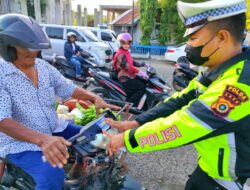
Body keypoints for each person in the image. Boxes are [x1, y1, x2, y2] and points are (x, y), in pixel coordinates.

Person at [104, 0, 250, 190]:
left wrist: (127, 139)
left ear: (222, 37)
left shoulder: (239, 85)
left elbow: (184, 125)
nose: (188, 45)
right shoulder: (218, 70)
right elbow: (180, 100)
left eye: (193, 38)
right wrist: (137, 122)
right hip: (207, 170)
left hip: (227, 183)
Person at [0, 13, 119, 190]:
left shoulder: (43, 67)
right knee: (52, 172)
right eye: (26, 48)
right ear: (7, 47)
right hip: (17, 142)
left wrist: (94, 98)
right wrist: (43, 140)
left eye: (35, 48)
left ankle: (78, 169)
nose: (34, 52)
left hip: (52, 128)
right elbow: (2, 121)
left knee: (97, 138)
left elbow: (67, 88)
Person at [112, 33, 148, 107]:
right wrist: (140, 72)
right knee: (141, 87)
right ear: (120, 43)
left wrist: (143, 64)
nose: (126, 45)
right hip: (124, 77)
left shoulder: (126, 52)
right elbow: (128, 67)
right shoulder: (120, 54)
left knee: (144, 82)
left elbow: (132, 62)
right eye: (124, 43)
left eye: (128, 43)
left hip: (130, 75)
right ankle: (130, 105)